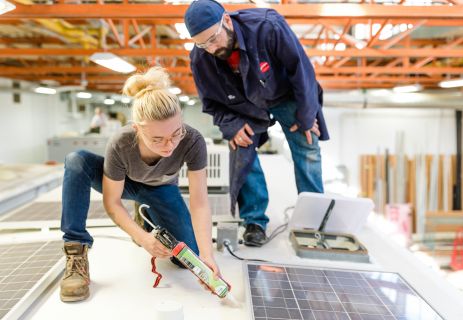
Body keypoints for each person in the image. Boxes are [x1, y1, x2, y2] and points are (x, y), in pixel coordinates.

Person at [59, 66, 220, 302]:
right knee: (76, 161)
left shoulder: (192, 140)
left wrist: (207, 256)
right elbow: (112, 202)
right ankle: (76, 252)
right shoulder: (121, 143)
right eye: (157, 139)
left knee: (186, 258)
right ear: (137, 129)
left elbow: (199, 202)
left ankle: (144, 214)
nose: (170, 145)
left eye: (176, 133)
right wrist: (144, 240)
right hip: (125, 183)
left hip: (161, 188)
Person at [185, 0, 329, 247]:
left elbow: (301, 70)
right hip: (243, 105)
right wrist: (231, 126)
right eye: (202, 43)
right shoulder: (200, 58)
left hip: (286, 94)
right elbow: (210, 103)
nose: (210, 47)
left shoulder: (268, 26)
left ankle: (313, 219)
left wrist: (307, 117)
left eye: (213, 38)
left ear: (227, 21)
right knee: (241, 148)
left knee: (307, 144)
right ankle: (254, 222)